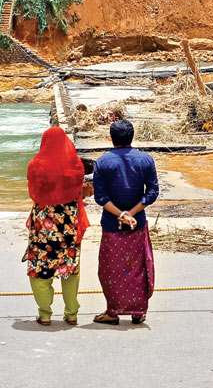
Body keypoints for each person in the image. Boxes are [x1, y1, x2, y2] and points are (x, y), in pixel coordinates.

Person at [92, 118, 159, 325]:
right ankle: (138, 311)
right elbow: (153, 192)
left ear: (111, 138)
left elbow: (100, 197)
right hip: (137, 223)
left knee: (110, 269)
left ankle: (112, 312)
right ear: (132, 136)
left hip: (112, 225)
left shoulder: (102, 162)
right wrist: (132, 212)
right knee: (138, 267)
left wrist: (120, 215)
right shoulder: (145, 160)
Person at [23, 125, 91, 326]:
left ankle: (45, 313)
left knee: (40, 267)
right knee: (69, 266)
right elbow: (79, 190)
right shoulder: (75, 165)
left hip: (43, 224)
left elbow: (33, 194)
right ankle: (71, 313)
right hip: (68, 222)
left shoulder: (35, 165)